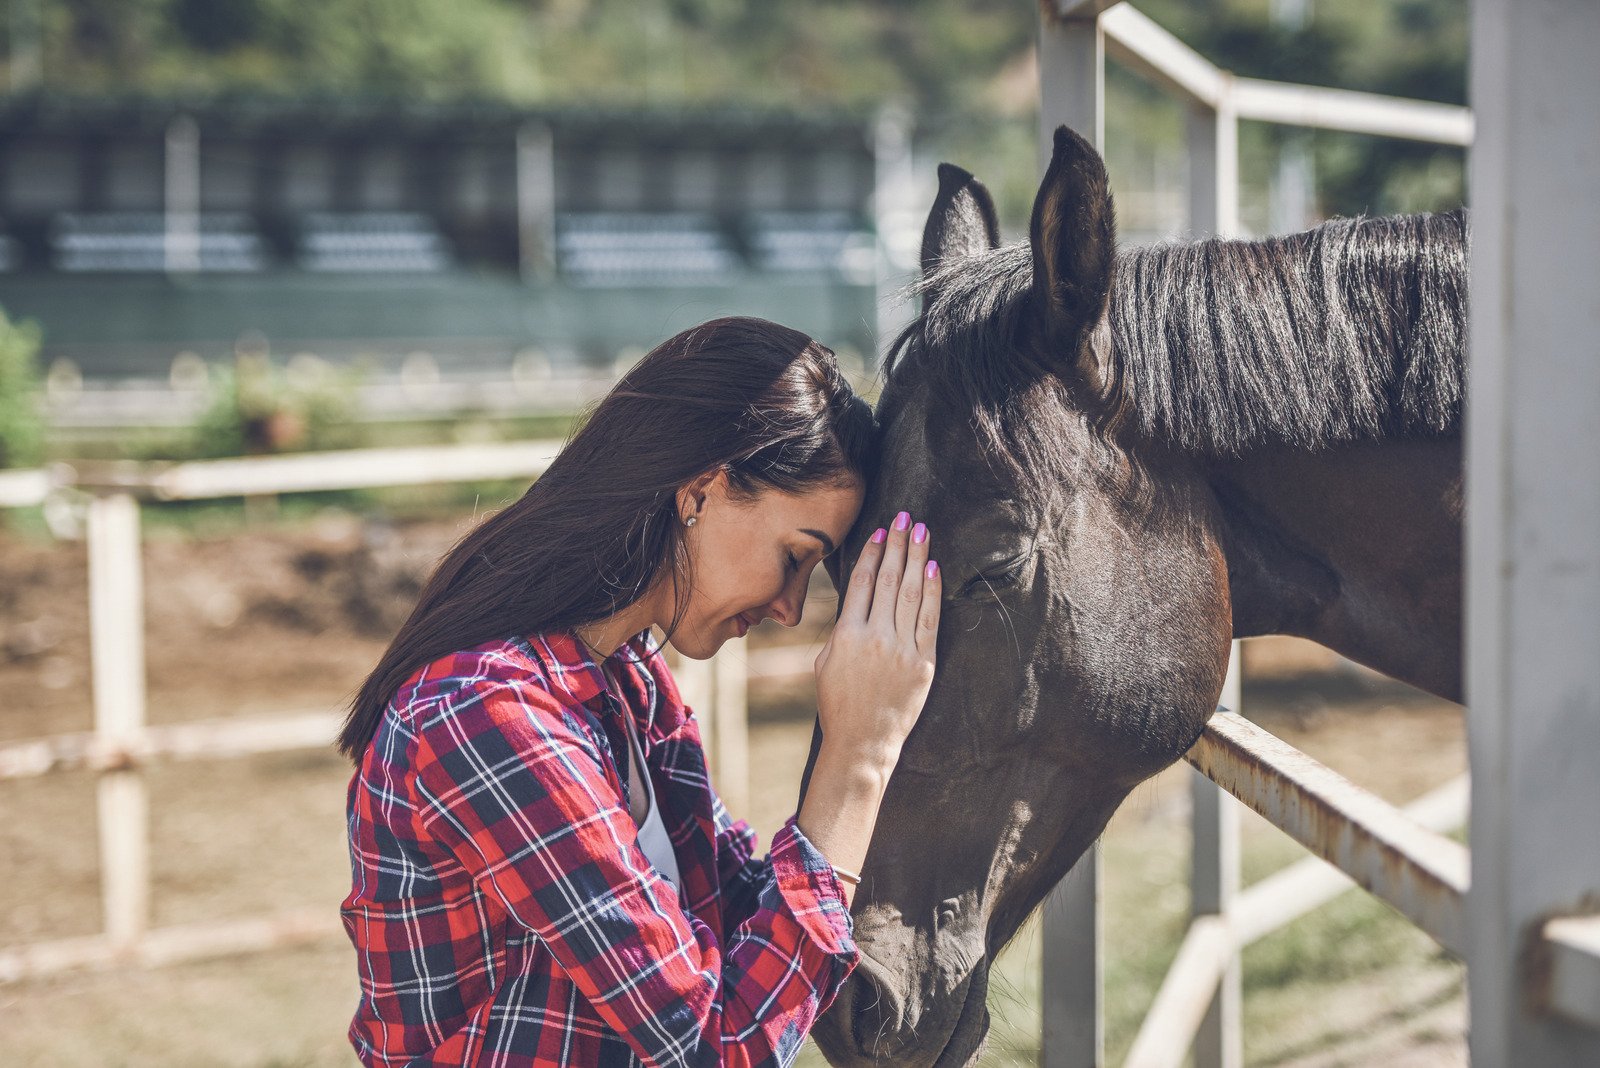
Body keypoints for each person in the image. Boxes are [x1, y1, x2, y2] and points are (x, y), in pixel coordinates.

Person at [336, 316, 942, 1066]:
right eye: (795, 555)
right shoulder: (487, 715)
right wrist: (858, 757)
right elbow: (718, 1047)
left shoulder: (629, 690)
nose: (790, 607)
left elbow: (731, 921)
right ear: (703, 491)